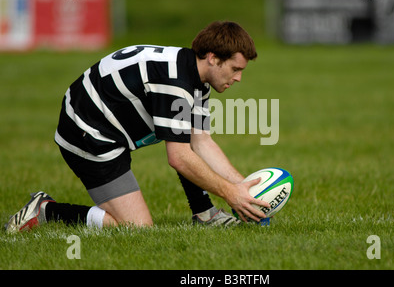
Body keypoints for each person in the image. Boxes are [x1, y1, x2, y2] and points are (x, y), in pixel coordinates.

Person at [5, 21, 270, 233]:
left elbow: (200, 142)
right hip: (88, 134)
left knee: (184, 138)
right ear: (213, 58)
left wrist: (244, 189)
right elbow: (179, 157)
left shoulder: (193, 75)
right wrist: (230, 194)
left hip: (102, 126)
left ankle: (205, 214)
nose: (238, 77)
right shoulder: (175, 83)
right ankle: (47, 211)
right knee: (136, 229)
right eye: (235, 68)